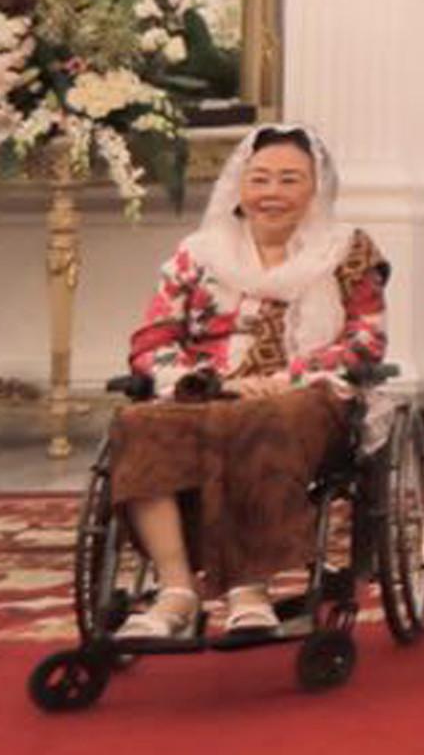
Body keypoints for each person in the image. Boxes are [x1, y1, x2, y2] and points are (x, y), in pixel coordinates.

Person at [106, 125, 386, 643]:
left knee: (262, 422)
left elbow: (366, 340)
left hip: (304, 397)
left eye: (289, 180)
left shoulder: (346, 251)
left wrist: (286, 379)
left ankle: (249, 589)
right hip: (207, 393)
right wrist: (207, 381)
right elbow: (152, 338)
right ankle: (176, 591)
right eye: (259, 179)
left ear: (316, 188)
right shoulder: (198, 253)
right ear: (238, 185)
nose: (272, 193)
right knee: (138, 424)